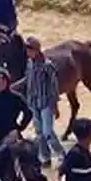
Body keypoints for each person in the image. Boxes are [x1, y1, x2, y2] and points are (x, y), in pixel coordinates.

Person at [24, 37, 64, 166]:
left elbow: (54, 86)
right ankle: (45, 157)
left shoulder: (47, 65)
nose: (27, 51)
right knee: (39, 132)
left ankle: (61, 153)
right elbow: (28, 80)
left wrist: (55, 105)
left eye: (29, 49)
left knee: (48, 132)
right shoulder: (29, 63)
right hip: (34, 103)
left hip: (46, 103)